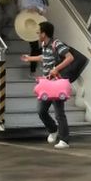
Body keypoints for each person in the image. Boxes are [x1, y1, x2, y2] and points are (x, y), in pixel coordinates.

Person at [22, 21, 74, 149]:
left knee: (59, 113)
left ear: (44, 34)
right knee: (41, 111)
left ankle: (64, 140)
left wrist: (56, 69)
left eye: (39, 32)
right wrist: (30, 58)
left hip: (56, 84)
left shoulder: (57, 43)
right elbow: (43, 57)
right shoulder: (45, 45)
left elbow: (70, 57)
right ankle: (53, 129)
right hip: (46, 84)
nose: (37, 34)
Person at [21, 0, 49, 72]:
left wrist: (39, 10)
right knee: (34, 46)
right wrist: (33, 8)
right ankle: (32, 70)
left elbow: (45, 9)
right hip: (30, 24)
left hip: (39, 24)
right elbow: (24, 7)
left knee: (45, 46)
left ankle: (36, 64)